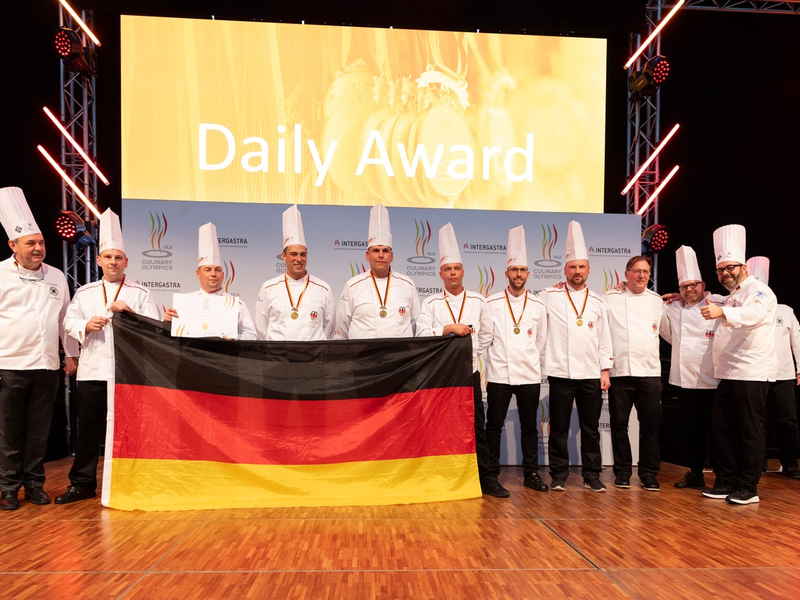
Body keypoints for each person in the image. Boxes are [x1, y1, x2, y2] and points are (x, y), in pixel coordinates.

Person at [55, 209, 160, 505]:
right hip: (93, 371)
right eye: (108, 257)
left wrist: (131, 313)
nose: (113, 262)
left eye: (118, 258)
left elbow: (154, 330)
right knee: (88, 430)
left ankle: (135, 480)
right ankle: (82, 483)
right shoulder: (85, 292)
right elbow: (68, 323)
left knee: (132, 430)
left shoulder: (141, 293)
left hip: (130, 373)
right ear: (99, 260)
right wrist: (85, 326)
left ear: (127, 262)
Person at [0, 186, 79, 510]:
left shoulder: (57, 276)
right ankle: (7, 488)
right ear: (13, 245)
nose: (38, 248)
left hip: (46, 365)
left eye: (41, 242)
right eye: (30, 243)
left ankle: (34, 484)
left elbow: (65, 319)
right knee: (8, 432)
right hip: (9, 364)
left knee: (39, 431)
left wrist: (71, 353)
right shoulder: (0, 274)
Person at [416, 223, 504, 497]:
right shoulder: (430, 303)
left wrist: (470, 354)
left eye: (456, 268)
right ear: (440, 273)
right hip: (439, 375)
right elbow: (420, 334)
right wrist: (446, 329)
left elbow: (487, 335)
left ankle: (487, 478)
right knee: (438, 425)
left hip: (468, 374)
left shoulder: (479, 301)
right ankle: (439, 476)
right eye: (447, 269)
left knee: (476, 426)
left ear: (463, 271)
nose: (452, 273)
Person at [700, 224, 777, 505]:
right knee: (721, 426)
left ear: (743, 266)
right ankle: (728, 479)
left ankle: (749, 486)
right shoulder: (731, 296)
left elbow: (753, 314)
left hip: (752, 372)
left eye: (729, 268)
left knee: (750, 431)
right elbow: (716, 302)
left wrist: (722, 312)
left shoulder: (759, 291)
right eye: (720, 270)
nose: (724, 274)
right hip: (729, 373)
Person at [538, 220, 613, 492]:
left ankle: (592, 476)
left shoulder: (598, 301)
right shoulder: (549, 295)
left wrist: (605, 370)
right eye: (572, 267)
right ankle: (558, 475)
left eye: (582, 266)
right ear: (565, 269)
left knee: (590, 428)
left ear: (589, 270)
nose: (577, 271)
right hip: (560, 373)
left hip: (591, 374)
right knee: (558, 428)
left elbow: (605, 338)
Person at [484, 226, 549, 493]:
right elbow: (485, 339)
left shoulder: (539, 305)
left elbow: (541, 342)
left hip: (529, 376)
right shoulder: (491, 303)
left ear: (528, 274)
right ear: (506, 274)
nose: (518, 275)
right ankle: (490, 475)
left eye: (522, 270)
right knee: (494, 427)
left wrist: (533, 365)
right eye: (514, 270)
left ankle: (531, 473)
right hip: (499, 374)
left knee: (529, 428)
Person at [660, 246, 721, 489]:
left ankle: (722, 475)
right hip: (686, 381)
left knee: (717, 432)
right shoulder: (673, 308)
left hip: (714, 380)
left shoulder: (718, 303)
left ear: (703, 285)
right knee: (692, 431)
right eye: (684, 286)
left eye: (693, 285)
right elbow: (667, 333)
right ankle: (695, 473)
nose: (688, 290)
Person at [604, 255, 665, 491]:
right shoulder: (610, 298)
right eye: (637, 271)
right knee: (619, 424)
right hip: (620, 371)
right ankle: (622, 472)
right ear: (626, 274)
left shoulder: (657, 301)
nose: (642, 276)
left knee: (650, 424)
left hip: (649, 372)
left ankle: (649, 473)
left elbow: (667, 332)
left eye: (646, 272)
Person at [746, 256, 800, 479]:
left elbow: (797, 339)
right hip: (756, 373)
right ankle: (759, 463)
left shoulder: (785, 310)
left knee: (787, 419)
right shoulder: (742, 308)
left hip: (783, 374)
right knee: (757, 421)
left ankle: (790, 463)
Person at [336, 204, 420, 339]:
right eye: (376, 250)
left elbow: (416, 324)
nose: (381, 255)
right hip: (364, 357)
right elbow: (343, 327)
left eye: (385, 251)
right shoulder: (352, 286)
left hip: (400, 357)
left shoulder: (407, 284)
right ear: (367, 255)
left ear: (391, 256)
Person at [164, 222, 257, 340]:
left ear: (223, 275)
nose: (213, 274)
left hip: (224, 356)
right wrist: (167, 321)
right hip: (190, 357)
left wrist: (234, 339)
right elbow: (168, 337)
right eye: (207, 269)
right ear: (198, 274)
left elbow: (252, 336)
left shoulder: (237, 304)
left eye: (217, 270)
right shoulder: (184, 303)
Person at [254, 205, 334, 340]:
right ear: (284, 256)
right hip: (278, 357)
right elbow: (261, 329)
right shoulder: (268, 288)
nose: (299, 259)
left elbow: (329, 328)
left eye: (303, 254)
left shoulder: (323, 288)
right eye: (293, 254)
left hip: (311, 357)